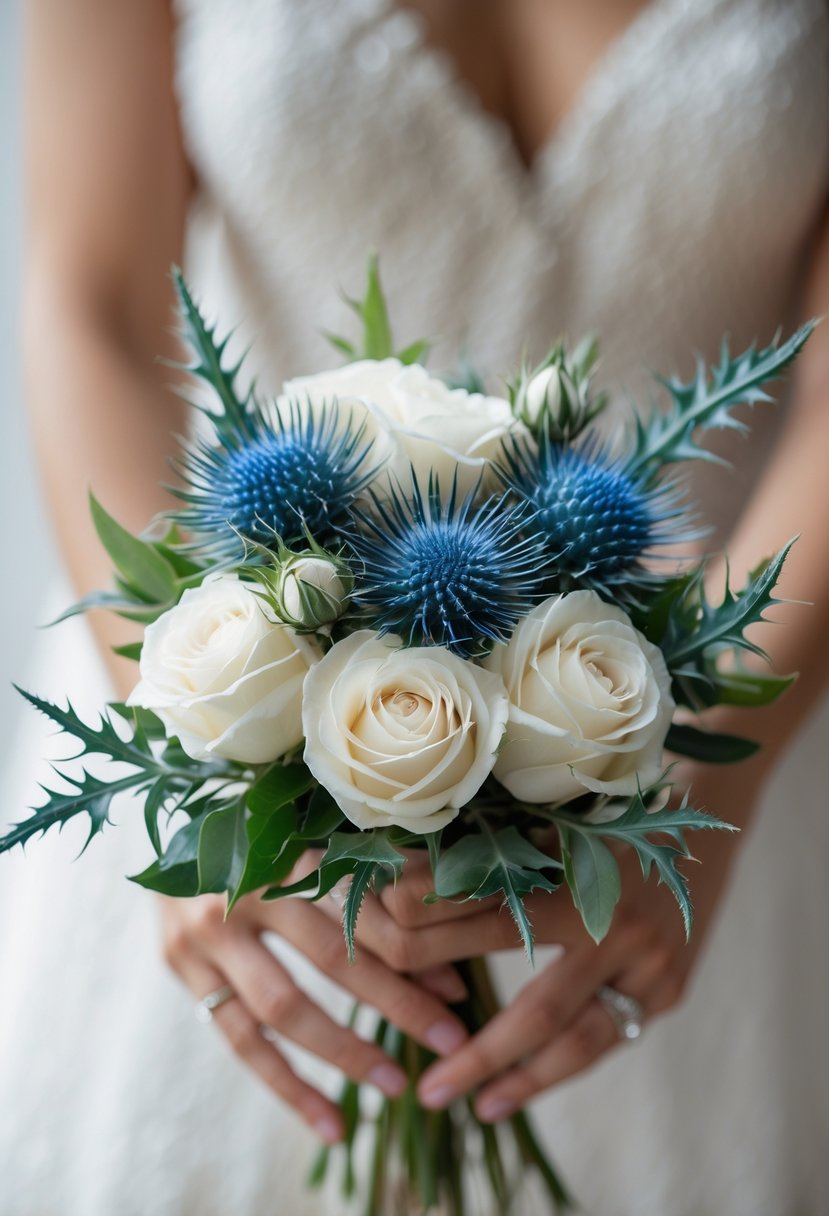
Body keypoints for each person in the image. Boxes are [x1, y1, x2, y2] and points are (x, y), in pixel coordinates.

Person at [1, 1, 828, 1212]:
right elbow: (95, 306)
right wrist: (198, 753)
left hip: (720, 726)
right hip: (231, 726)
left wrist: (711, 770)